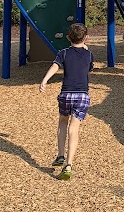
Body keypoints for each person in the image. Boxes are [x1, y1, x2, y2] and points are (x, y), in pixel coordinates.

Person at [39, 23, 94, 181]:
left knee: (63, 122)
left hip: (66, 94)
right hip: (82, 95)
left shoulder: (63, 53)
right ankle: (68, 165)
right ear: (86, 38)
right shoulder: (89, 55)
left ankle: (60, 155)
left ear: (68, 37)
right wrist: (85, 49)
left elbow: (55, 66)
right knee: (74, 128)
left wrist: (45, 80)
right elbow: (89, 69)